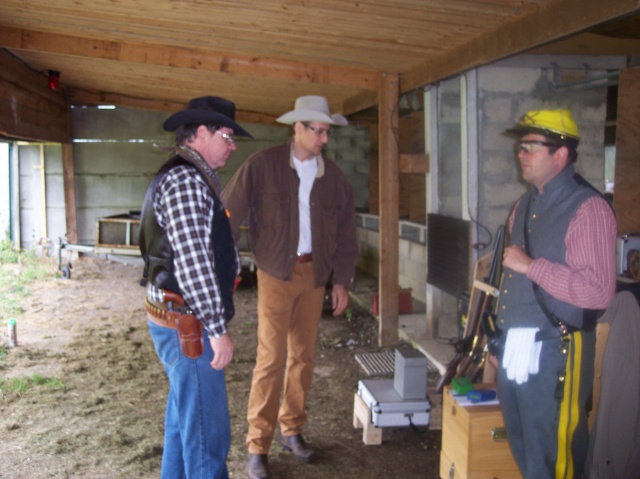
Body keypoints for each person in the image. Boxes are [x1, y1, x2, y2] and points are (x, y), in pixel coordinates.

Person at [223, 95, 359, 479]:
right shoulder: (262, 166)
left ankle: (292, 428)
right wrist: (223, 267)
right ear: (296, 128)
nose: (323, 139)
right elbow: (228, 214)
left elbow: (347, 234)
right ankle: (257, 444)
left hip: (314, 275)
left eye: (326, 131)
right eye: (317, 130)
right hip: (275, 274)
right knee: (271, 357)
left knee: (304, 356)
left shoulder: (334, 179)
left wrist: (342, 281)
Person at [496, 109, 617, 479]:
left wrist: (531, 266)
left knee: (554, 455)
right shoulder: (524, 204)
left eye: (531, 146)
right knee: (524, 445)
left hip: (558, 350)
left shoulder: (589, 209)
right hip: (517, 347)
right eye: (521, 146)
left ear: (560, 155)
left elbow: (597, 292)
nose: (521, 153)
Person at [139, 96, 252, 479]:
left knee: (184, 423)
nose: (233, 145)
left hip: (177, 317)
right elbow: (194, 264)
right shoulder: (188, 180)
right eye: (228, 136)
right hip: (189, 324)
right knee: (207, 436)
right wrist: (217, 330)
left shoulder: (190, 175)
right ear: (200, 133)